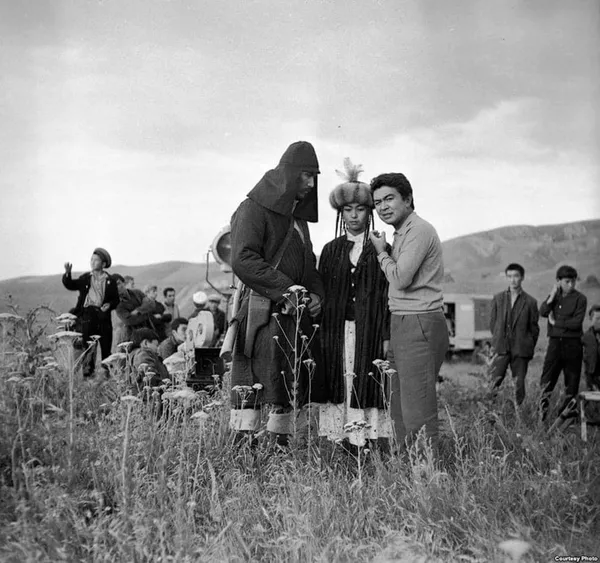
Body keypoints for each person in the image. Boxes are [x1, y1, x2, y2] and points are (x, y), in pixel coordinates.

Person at [228, 141, 325, 445]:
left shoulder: (297, 219)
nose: (311, 184)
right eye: (306, 175)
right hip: (260, 314)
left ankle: (278, 454)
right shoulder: (252, 208)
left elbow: (308, 264)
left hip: (292, 317)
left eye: (314, 177)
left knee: (283, 388)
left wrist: (316, 294)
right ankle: (242, 456)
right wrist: (286, 290)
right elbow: (243, 259)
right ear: (289, 174)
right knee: (251, 386)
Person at [369, 172, 448, 450]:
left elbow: (401, 278)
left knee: (417, 410)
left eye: (389, 198)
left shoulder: (419, 230)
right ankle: (408, 468)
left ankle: (426, 472)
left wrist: (381, 252)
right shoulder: (402, 232)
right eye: (377, 202)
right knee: (400, 406)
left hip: (419, 321)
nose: (382, 207)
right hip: (404, 321)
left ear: (408, 199)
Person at [318, 158, 392, 447]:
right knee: (341, 382)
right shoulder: (330, 251)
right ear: (341, 212)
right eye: (347, 209)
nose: (353, 215)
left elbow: (387, 296)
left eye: (360, 209)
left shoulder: (382, 249)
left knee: (366, 381)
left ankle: (367, 443)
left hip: (369, 331)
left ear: (369, 212)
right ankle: (343, 443)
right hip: (336, 332)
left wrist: (385, 335)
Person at [539, 265, 587, 421]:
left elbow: (576, 323)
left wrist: (556, 323)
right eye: (567, 282)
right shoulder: (554, 297)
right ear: (558, 281)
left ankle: (566, 421)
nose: (571, 285)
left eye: (573, 281)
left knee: (571, 384)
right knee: (546, 381)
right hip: (555, 345)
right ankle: (541, 417)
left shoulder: (581, 299)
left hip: (573, 346)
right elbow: (543, 312)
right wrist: (551, 296)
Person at [62, 248, 119, 377]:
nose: (92, 262)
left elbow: (116, 300)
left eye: (96, 260)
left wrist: (109, 305)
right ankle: (89, 377)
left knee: (106, 348)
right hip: (88, 316)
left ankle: (106, 376)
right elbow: (71, 284)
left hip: (103, 317)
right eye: (91, 259)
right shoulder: (86, 278)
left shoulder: (110, 281)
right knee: (89, 348)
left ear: (103, 264)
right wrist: (67, 274)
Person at [488, 263, 540, 405]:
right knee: (493, 384)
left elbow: (534, 329)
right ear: (506, 278)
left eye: (516, 276)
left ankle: (518, 414)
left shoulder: (530, 302)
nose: (512, 280)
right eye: (509, 276)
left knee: (519, 386)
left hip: (520, 350)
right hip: (501, 348)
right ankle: (488, 414)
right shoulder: (498, 299)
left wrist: (527, 344)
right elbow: (493, 324)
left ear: (522, 277)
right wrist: (499, 339)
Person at [114, 276, 157, 341]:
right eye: (114, 286)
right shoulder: (117, 304)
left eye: (118, 283)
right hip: (132, 336)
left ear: (124, 283)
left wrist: (138, 310)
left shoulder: (137, 293)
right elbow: (128, 321)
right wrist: (145, 313)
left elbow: (151, 304)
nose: (117, 287)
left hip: (149, 329)